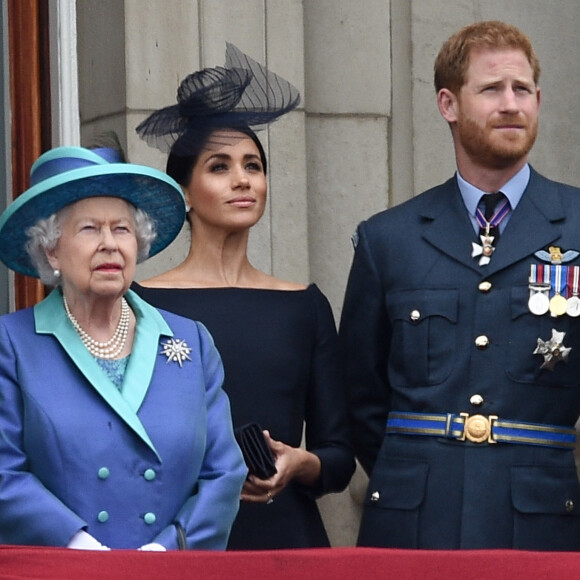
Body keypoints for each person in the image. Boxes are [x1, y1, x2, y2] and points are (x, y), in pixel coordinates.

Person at [339, 20, 580, 550]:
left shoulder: (578, 223)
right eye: (492, 89)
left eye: (522, 90)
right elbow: (360, 394)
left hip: (542, 519)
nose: (511, 103)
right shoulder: (388, 239)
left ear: (539, 100)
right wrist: (422, 465)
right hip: (414, 517)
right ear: (448, 104)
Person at [133, 43, 355, 549]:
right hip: (175, 541)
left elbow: (339, 456)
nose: (242, 180)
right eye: (219, 167)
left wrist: (301, 464)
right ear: (183, 192)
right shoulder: (140, 304)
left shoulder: (304, 304)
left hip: (287, 540)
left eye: (253, 166)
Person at [0, 145, 247, 550]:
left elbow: (224, 473)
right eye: (89, 229)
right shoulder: (12, 344)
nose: (110, 244)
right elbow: (4, 471)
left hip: (170, 573)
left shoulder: (192, 342)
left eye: (122, 229)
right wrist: (80, 548)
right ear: (51, 249)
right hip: (62, 572)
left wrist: (167, 549)